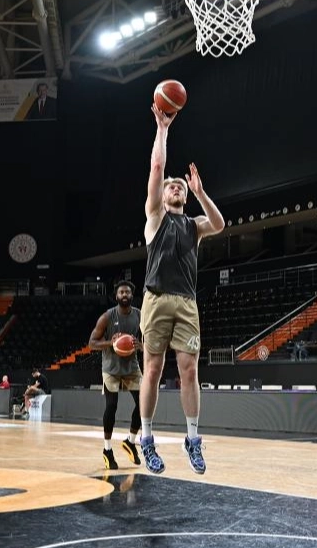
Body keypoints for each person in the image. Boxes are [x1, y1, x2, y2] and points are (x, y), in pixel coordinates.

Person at [137, 104, 225, 474]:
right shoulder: (155, 217)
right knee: (153, 369)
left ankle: (192, 439)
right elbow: (157, 167)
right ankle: (146, 438)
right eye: (171, 185)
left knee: (189, 371)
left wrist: (200, 192)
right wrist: (162, 129)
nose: (175, 187)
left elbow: (220, 224)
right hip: (156, 299)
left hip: (186, 302)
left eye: (180, 186)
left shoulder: (194, 224)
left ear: (185, 196)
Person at [88, 280, 143, 470]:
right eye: (121, 292)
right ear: (116, 296)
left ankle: (130, 441)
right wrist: (111, 343)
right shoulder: (107, 316)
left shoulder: (139, 315)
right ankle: (107, 449)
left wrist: (141, 345)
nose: (124, 294)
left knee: (144, 404)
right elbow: (92, 343)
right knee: (111, 406)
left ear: (132, 295)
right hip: (111, 368)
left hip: (131, 367)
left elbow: (149, 337)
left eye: (127, 292)